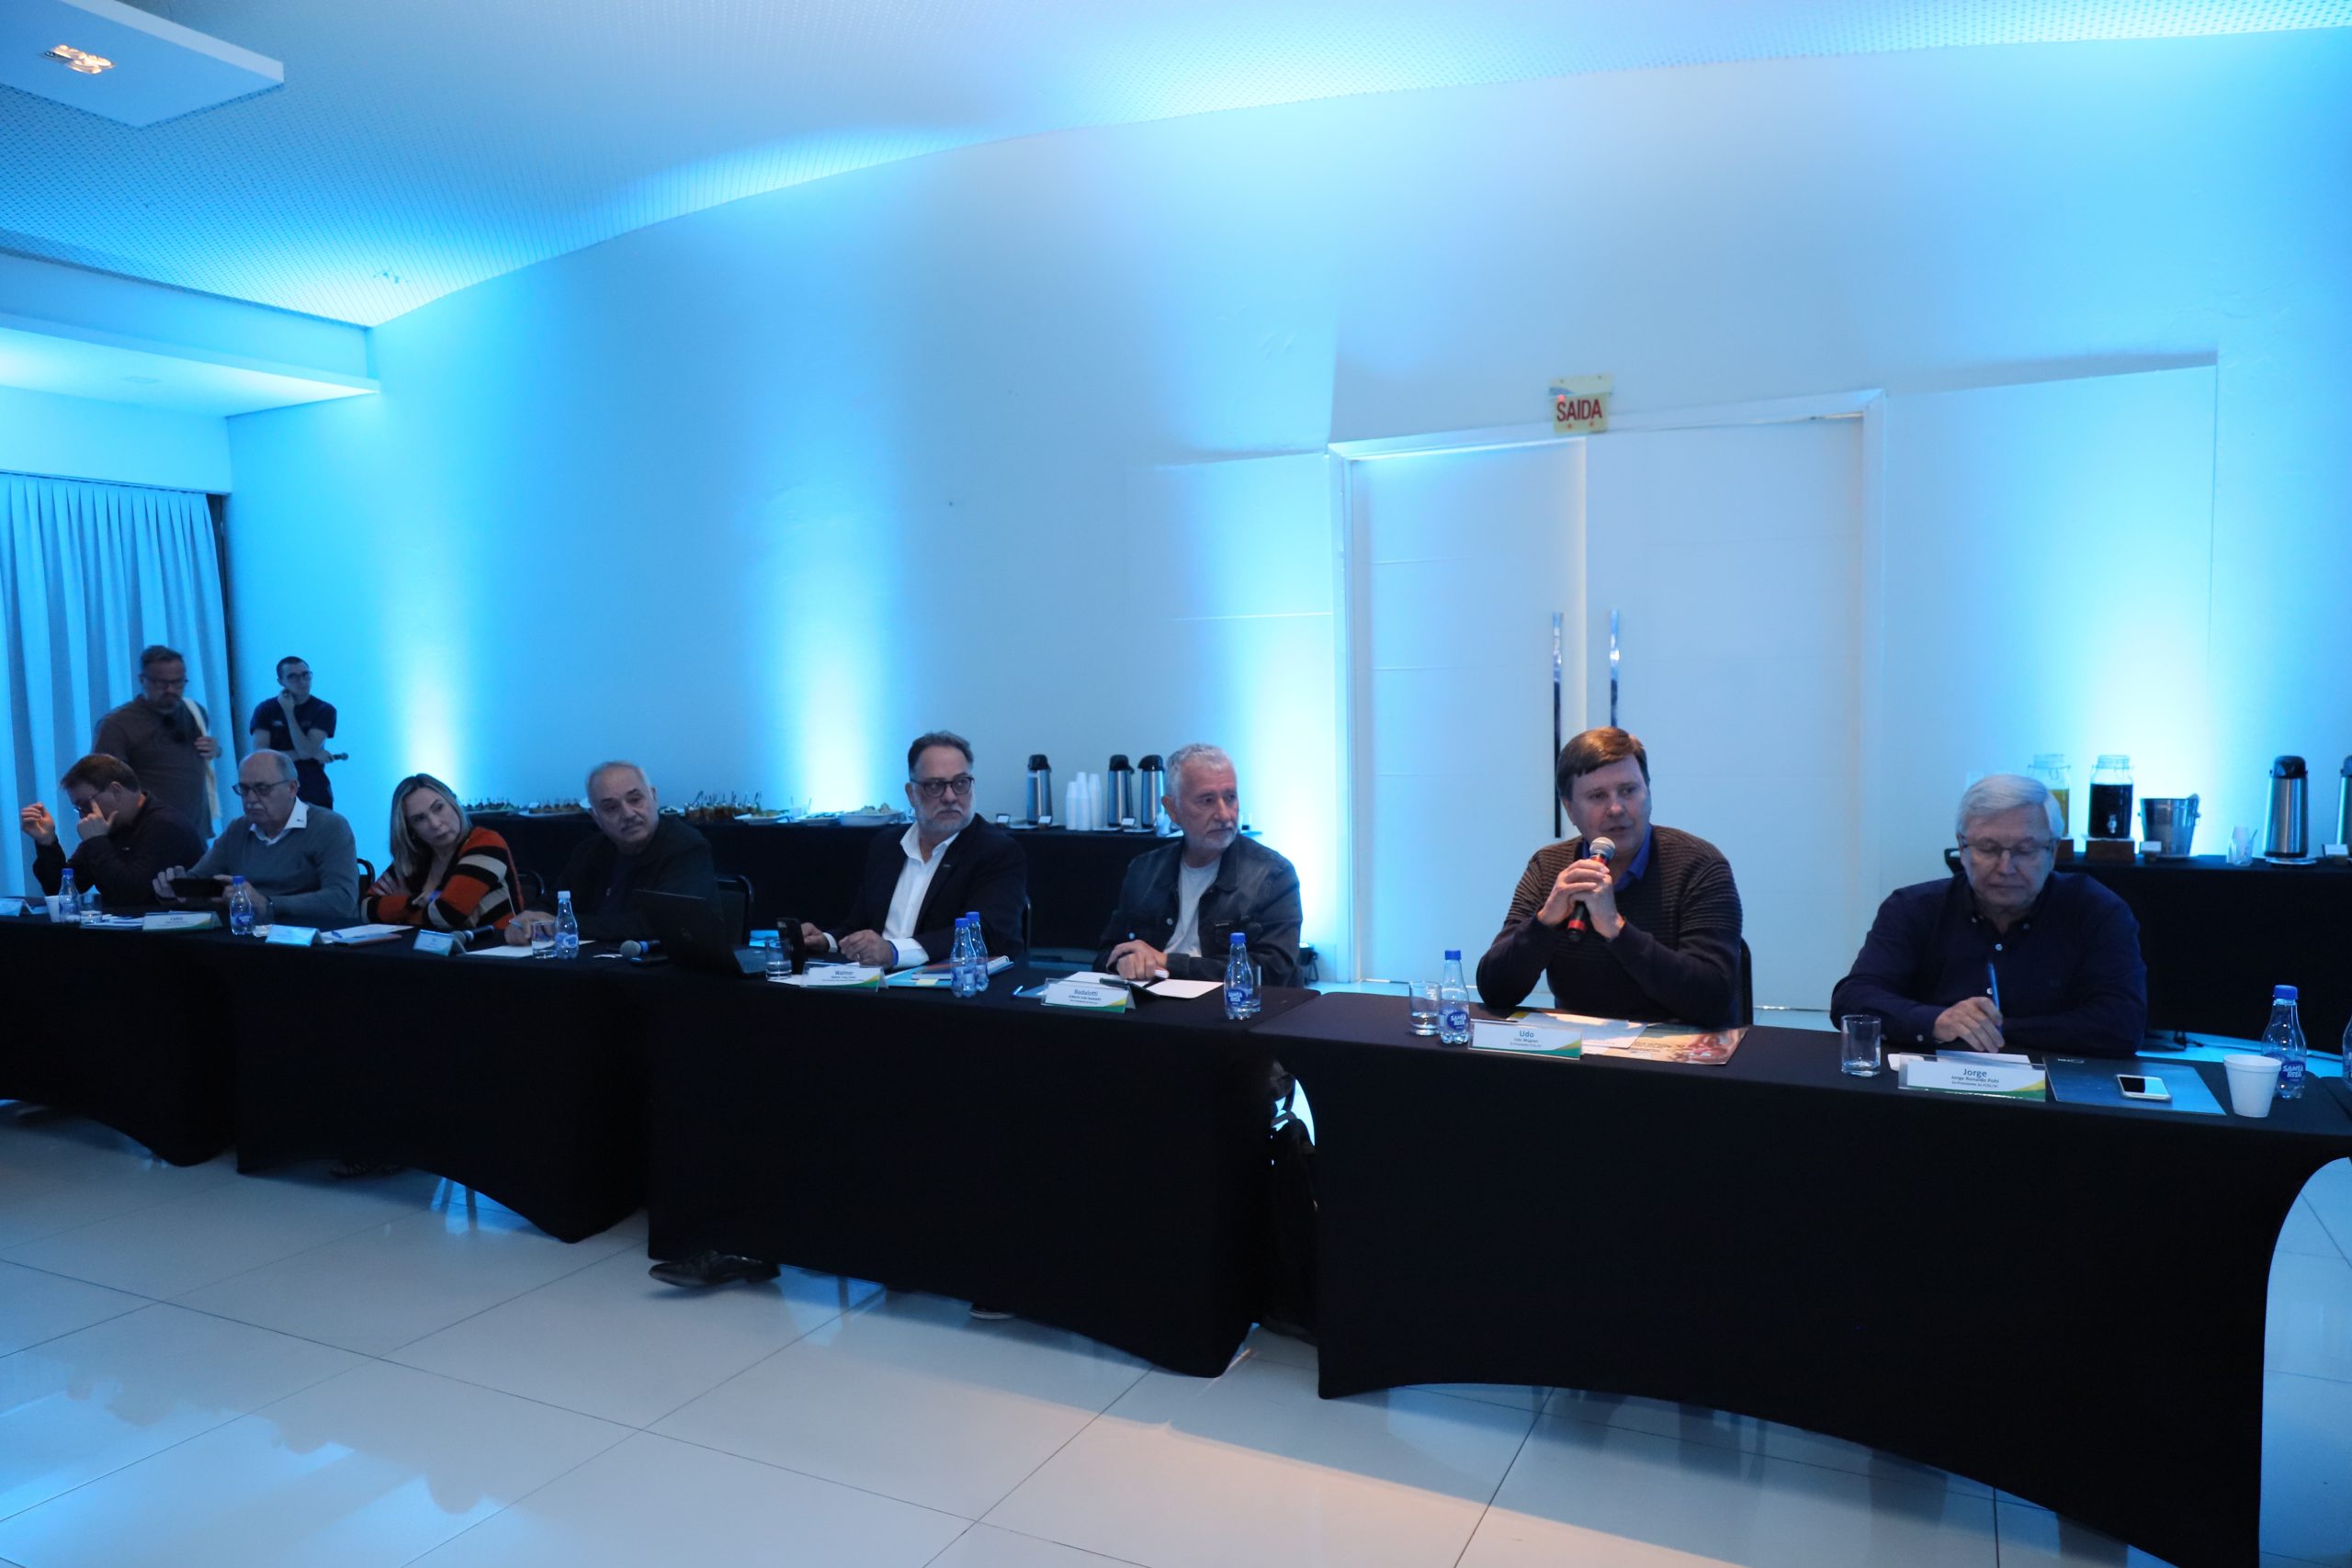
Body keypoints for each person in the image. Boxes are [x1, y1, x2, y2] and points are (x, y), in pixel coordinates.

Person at [1831, 773, 2146, 1057]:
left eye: (2025, 850)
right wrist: (1936, 1021)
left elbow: (2122, 1023)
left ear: (2052, 851)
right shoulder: (1912, 907)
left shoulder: (2097, 912)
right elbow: (1853, 999)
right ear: (1962, 848)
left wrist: (1992, 1029)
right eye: (1988, 848)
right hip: (1929, 1087)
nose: (2006, 867)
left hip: (2058, 1090)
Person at [1476, 727, 1743, 1025]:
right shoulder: (1548, 868)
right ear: (1570, 809)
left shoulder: (1701, 865)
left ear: (1648, 792)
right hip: (1581, 1048)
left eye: (1628, 790)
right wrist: (1544, 923)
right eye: (1597, 796)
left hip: (1679, 1047)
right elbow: (1495, 991)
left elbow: (1713, 1000)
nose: (1616, 808)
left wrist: (1616, 929)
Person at [796, 730, 1028, 968]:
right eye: (935, 785)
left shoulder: (997, 852)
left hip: (954, 985)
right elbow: (860, 925)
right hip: (876, 982)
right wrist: (826, 941)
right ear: (911, 794)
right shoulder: (886, 846)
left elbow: (986, 933)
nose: (950, 797)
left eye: (960, 783)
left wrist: (894, 952)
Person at [1095, 742, 1301, 986]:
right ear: (1172, 809)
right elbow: (1105, 954)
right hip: (1151, 999)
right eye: (1207, 801)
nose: (1224, 815)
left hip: (1228, 1003)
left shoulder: (1273, 874)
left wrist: (1168, 962)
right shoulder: (1144, 870)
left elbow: (1273, 970)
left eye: (1230, 798)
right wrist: (1123, 961)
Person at [507, 761, 715, 946]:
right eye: (611, 808)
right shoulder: (591, 850)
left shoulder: (685, 847)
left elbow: (659, 923)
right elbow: (555, 902)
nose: (628, 814)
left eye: (635, 800)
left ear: (653, 796)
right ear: (595, 817)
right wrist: (527, 920)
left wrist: (563, 925)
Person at [151, 750, 358, 926]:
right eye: (244, 789)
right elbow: (201, 883)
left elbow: (342, 899)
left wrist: (267, 904)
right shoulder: (239, 829)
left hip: (307, 940)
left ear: (292, 788)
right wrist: (178, 890)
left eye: (262, 789)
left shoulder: (329, 827)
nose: (250, 799)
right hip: (247, 937)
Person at [19, 753, 206, 908]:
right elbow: (62, 891)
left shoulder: (166, 826)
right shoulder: (110, 826)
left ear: (116, 790)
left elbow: (131, 897)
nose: (84, 815)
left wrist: (96, 841)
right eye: (78, 808)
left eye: (86, 805)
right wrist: (47, 843)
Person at [362, 773, 523, 932]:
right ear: (410, 829)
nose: (435, 824)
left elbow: (448, 916)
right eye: (419, 819)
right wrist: (414, 902)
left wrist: (399, 912)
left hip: (494, 947)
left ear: (453, 802)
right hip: (427, 949)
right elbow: (365, 909)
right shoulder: (415, 859)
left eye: (438, 808)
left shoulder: (486, 843)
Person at [92, 644, 220, 832]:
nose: (171, 690)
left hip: (194, 830)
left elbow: (205, 754)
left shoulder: (194, 712)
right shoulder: (116, 725)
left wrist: (216, 750)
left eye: (178, 683)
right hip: (146, 834)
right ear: (142, 680)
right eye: (161, 683)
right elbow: (102, 784)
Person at [248, 656, 340, 808]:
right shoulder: (265, 709)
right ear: (281, 681)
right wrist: (312, 753)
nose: (301, 681)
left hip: (312, 788)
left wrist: (289, 713)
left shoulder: (324, 710)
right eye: (293, 677)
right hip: (274, 787)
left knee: (318, 823)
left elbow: (305, 751)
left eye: (305, 675)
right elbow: (261, 755)